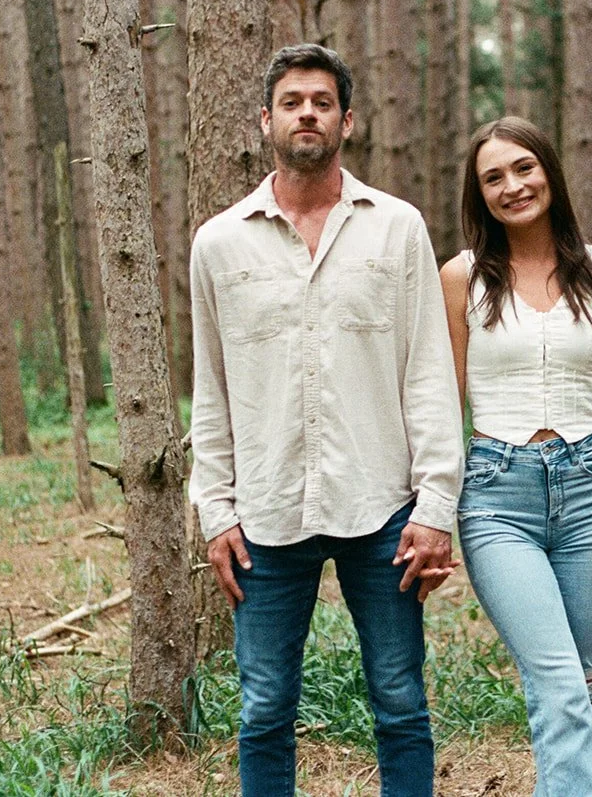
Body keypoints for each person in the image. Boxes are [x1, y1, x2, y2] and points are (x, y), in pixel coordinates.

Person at [188, 43, 465, 797]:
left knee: (402, 702)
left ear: (348, 118)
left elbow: (429, 374)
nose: (305, 112)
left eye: (320, 100)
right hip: (265, 515)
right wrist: (215, 512)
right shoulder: (218, 243)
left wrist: (436, 506)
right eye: (290, 101)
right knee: (264, 707)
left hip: (383, 508)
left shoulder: (398, 228)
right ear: (266, 120)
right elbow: (208, 389)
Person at [438, 115, 592, 796]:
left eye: (523, 167)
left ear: (550, 172)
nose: (513, 186)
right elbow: (446, 406)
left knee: (582, 684)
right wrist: (433, 512)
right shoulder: (461, 278)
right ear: (480, 195)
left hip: (590, 491)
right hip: (498, 496)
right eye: (493, 177)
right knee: (560, 681)